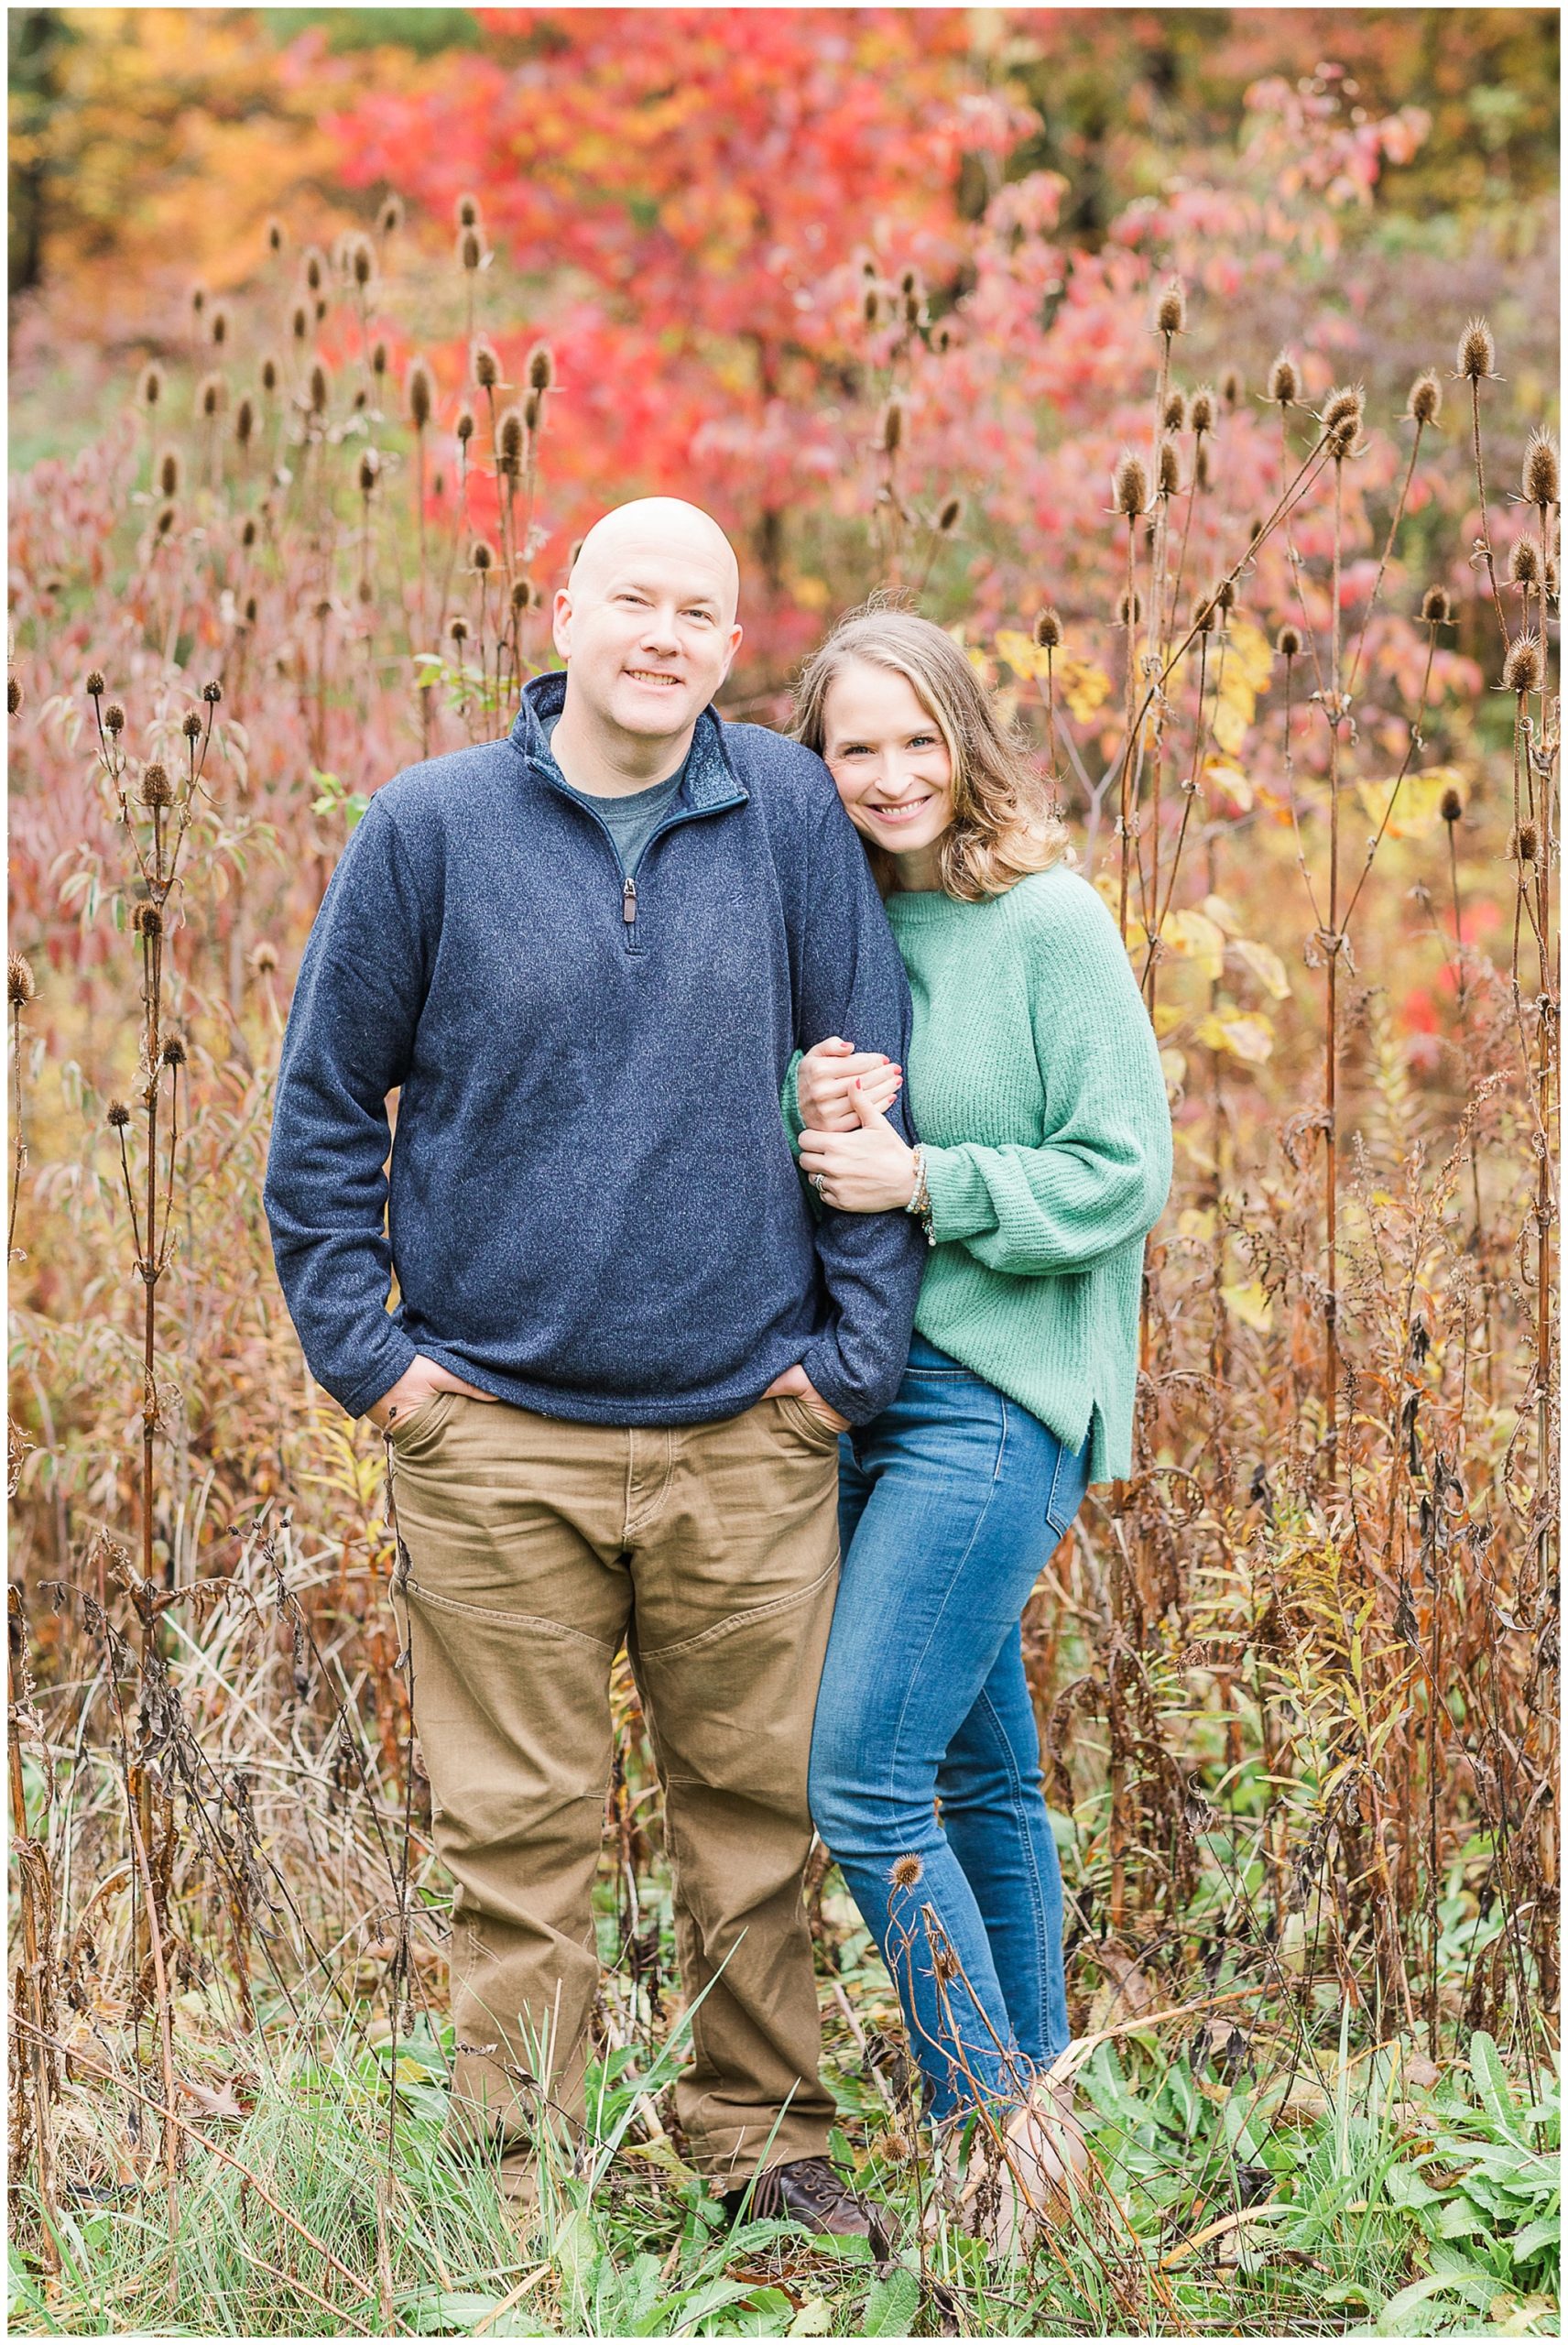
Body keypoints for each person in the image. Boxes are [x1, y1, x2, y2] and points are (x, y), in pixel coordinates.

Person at [262, 502, 927, 2234]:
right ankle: (519, 2179)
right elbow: (329, 1113)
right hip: (494, 1435)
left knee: (756, 1826)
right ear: (564, 611)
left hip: (745, 1431)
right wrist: (377, 1367)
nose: (665, 633)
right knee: (519, 1841)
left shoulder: (785, 810)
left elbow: (866, 1072)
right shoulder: (429, 830)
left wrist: (849, 1366)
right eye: (635, 597)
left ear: (728, 644)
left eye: (702, 611)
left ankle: (764, 2147)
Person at [784, 605, 1171, 2246]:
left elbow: (1120, 1169)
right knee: (987, 1784)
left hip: (995, 1406)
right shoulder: (840, 933)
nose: (887, 776)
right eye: (851, 748)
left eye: (915, 738)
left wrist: (928, 1180)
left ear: (968, 739)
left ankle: (998, 2142)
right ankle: (1047, 2149)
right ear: (815, 768)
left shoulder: (1049, 921)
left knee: (863, 1779)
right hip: (871, 1400)